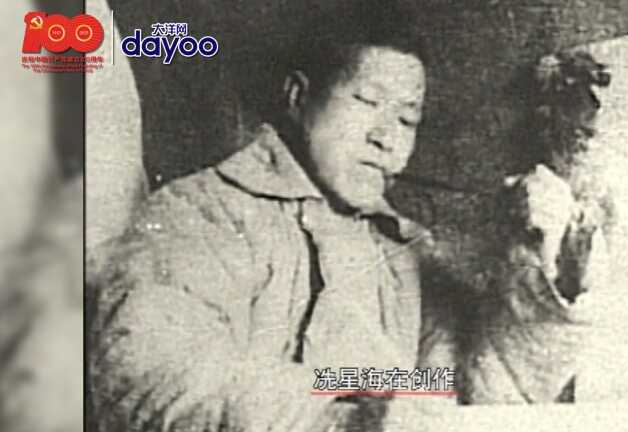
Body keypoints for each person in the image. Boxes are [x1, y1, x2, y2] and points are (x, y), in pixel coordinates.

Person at [86, 3, 601, 431]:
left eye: (407, 118)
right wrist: (351, 418)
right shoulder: (202, 214)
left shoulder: (403, 251)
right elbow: (149, 381)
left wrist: (540, 281)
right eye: (367, 101)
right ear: (298, 96)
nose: (386, 137)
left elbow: (456, 395)